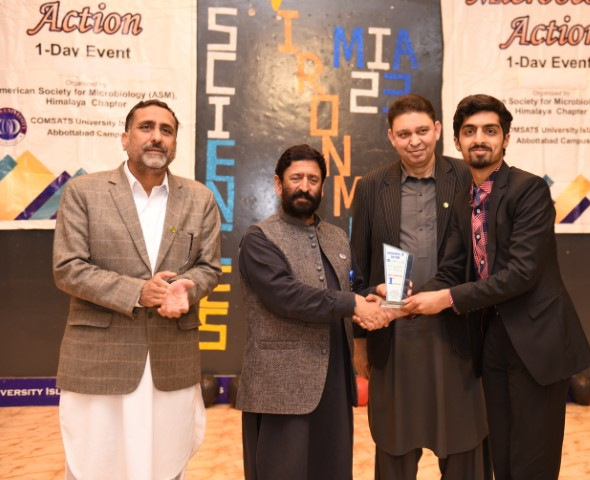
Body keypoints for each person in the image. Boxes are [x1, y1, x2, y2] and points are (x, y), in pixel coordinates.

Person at [403, 94, 590, 480]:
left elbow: (521, 273)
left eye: (490, 131)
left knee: (532, 463)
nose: (479, 139)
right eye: (469, 131)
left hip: (537, 341)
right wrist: (409, 297)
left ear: (505, 139)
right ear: (456, 141)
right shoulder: (463, 200)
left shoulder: (528, 190)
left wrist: (446, 298)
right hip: (492, 339)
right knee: (501, 458)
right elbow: (452, 270)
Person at [53, 99, 222, 480]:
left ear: (175, 143)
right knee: (96, 464)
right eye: (146, 127)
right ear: (125, 138)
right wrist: (137, 292)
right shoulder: (84, 191)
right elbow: (68, 268)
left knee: (165, 464)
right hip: (100, 358)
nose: (157, 137)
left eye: (167, 130)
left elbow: (209, 268)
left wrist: (186, 289)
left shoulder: (200, 199)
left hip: (170, 358)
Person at [351, 94, 491, 480]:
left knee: (463, 441)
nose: (415, 141)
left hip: (457, 334)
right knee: (395, 441)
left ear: (438, 130)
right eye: (404, 134)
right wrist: (360, 340)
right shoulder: (371, 186)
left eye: (422, 131)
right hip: (394, 336)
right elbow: (356, 267)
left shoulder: (467, 178)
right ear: (391, 137)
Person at [236, 144, 390, 480]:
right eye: (296, 178)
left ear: (322, 186)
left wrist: (373, 294)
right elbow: (286, 297)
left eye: (313, 179)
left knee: (332, 470)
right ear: (278, 184)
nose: (304, 186)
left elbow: (352, 288)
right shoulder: (259, 239)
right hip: (280, 385)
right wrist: (354, 304)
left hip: (334, 381)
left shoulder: (337, 237)